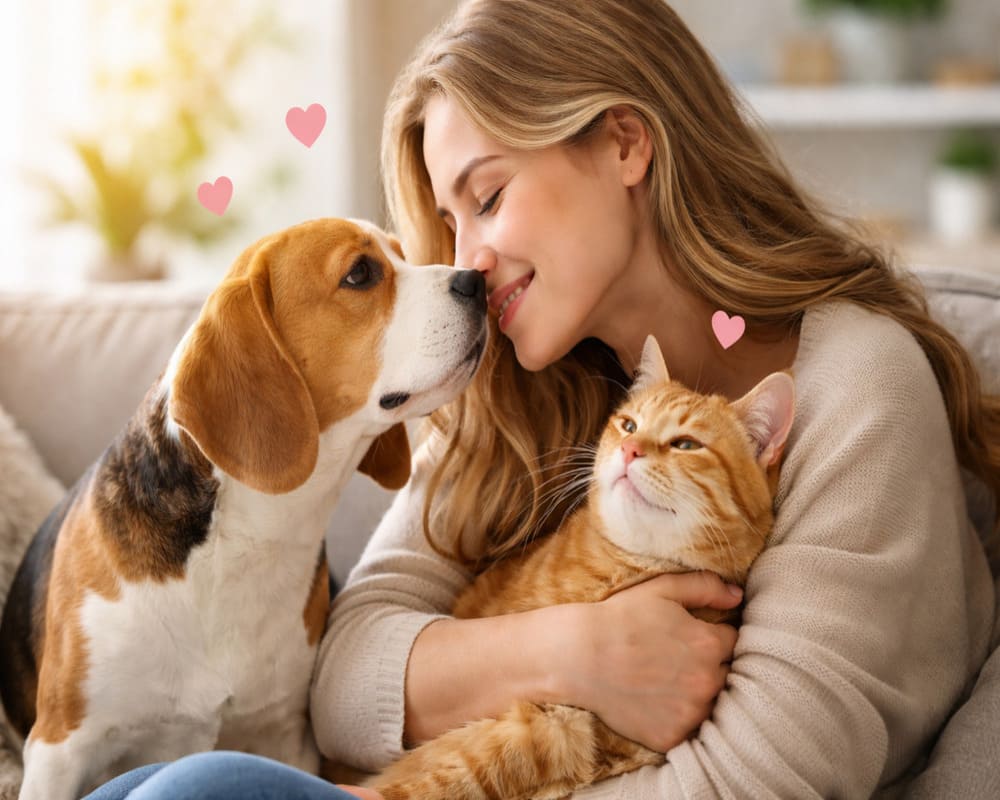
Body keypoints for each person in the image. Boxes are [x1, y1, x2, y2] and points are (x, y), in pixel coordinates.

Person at [87, 0, 998, 797]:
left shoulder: (858, 390)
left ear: (626, 141)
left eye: (487, 197)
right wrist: (577, 653)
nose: (467, 261)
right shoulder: (519, 384)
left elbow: (746, 781)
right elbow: (339, 681)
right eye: (448, 221)